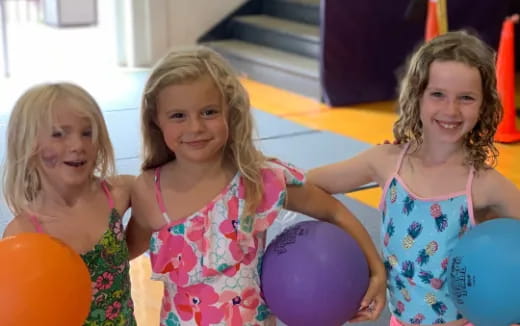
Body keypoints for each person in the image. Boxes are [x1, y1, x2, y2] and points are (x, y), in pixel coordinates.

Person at [126, 46, 387, 325]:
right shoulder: (148, 192)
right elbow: (118, 256)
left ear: (230, 111)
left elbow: (332, 210)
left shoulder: (256, 180)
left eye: (209, 112)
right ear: (156, 120)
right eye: (178, 115)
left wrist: (377, 272)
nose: (196, 127)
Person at [308, 30, 520, 326]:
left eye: (467, 98)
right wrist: (371, 264)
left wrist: (507, 315)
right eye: (437, 94)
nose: (451, 110)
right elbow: (309, 185)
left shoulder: (485, 185)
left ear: (484, 106)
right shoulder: (385, 162)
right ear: (416, 95)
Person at [2, 82, 137, 326]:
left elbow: (162, 203)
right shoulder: (24, 233)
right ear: (27, 145)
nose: (78, 145)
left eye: (87, 133)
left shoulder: (119, 194)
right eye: (58, 134)